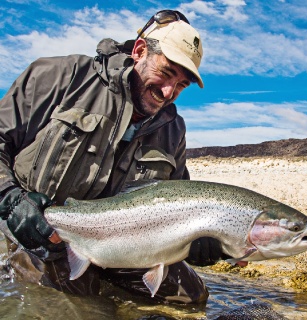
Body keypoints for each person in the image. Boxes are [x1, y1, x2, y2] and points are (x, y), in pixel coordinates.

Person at [0, 10, 225, 304]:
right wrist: (12, 199)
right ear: (140, 51)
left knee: (191, 299)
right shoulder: (58, 78)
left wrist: (197, 240)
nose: (169, 91)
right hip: (42, 237)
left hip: (124, 247)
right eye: (167, 73)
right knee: (76, 310)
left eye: (181, 85)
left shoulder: (173, 129)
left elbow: (180, 200)